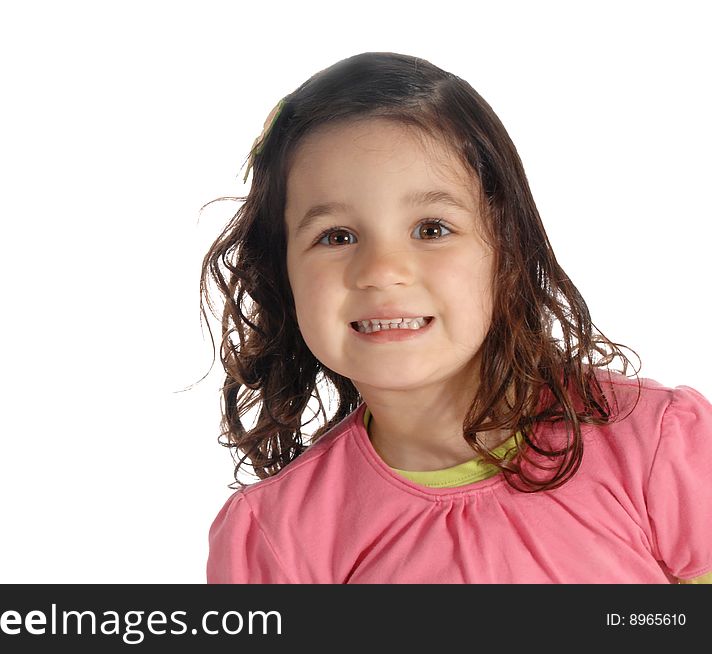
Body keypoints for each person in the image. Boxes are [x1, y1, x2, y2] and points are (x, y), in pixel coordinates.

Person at [199, 52, 712, 583]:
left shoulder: (658, 447)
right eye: (336, 237)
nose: (382, 271)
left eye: (431, 229)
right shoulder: (274, 537)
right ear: (282, 276)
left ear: (506, 251)